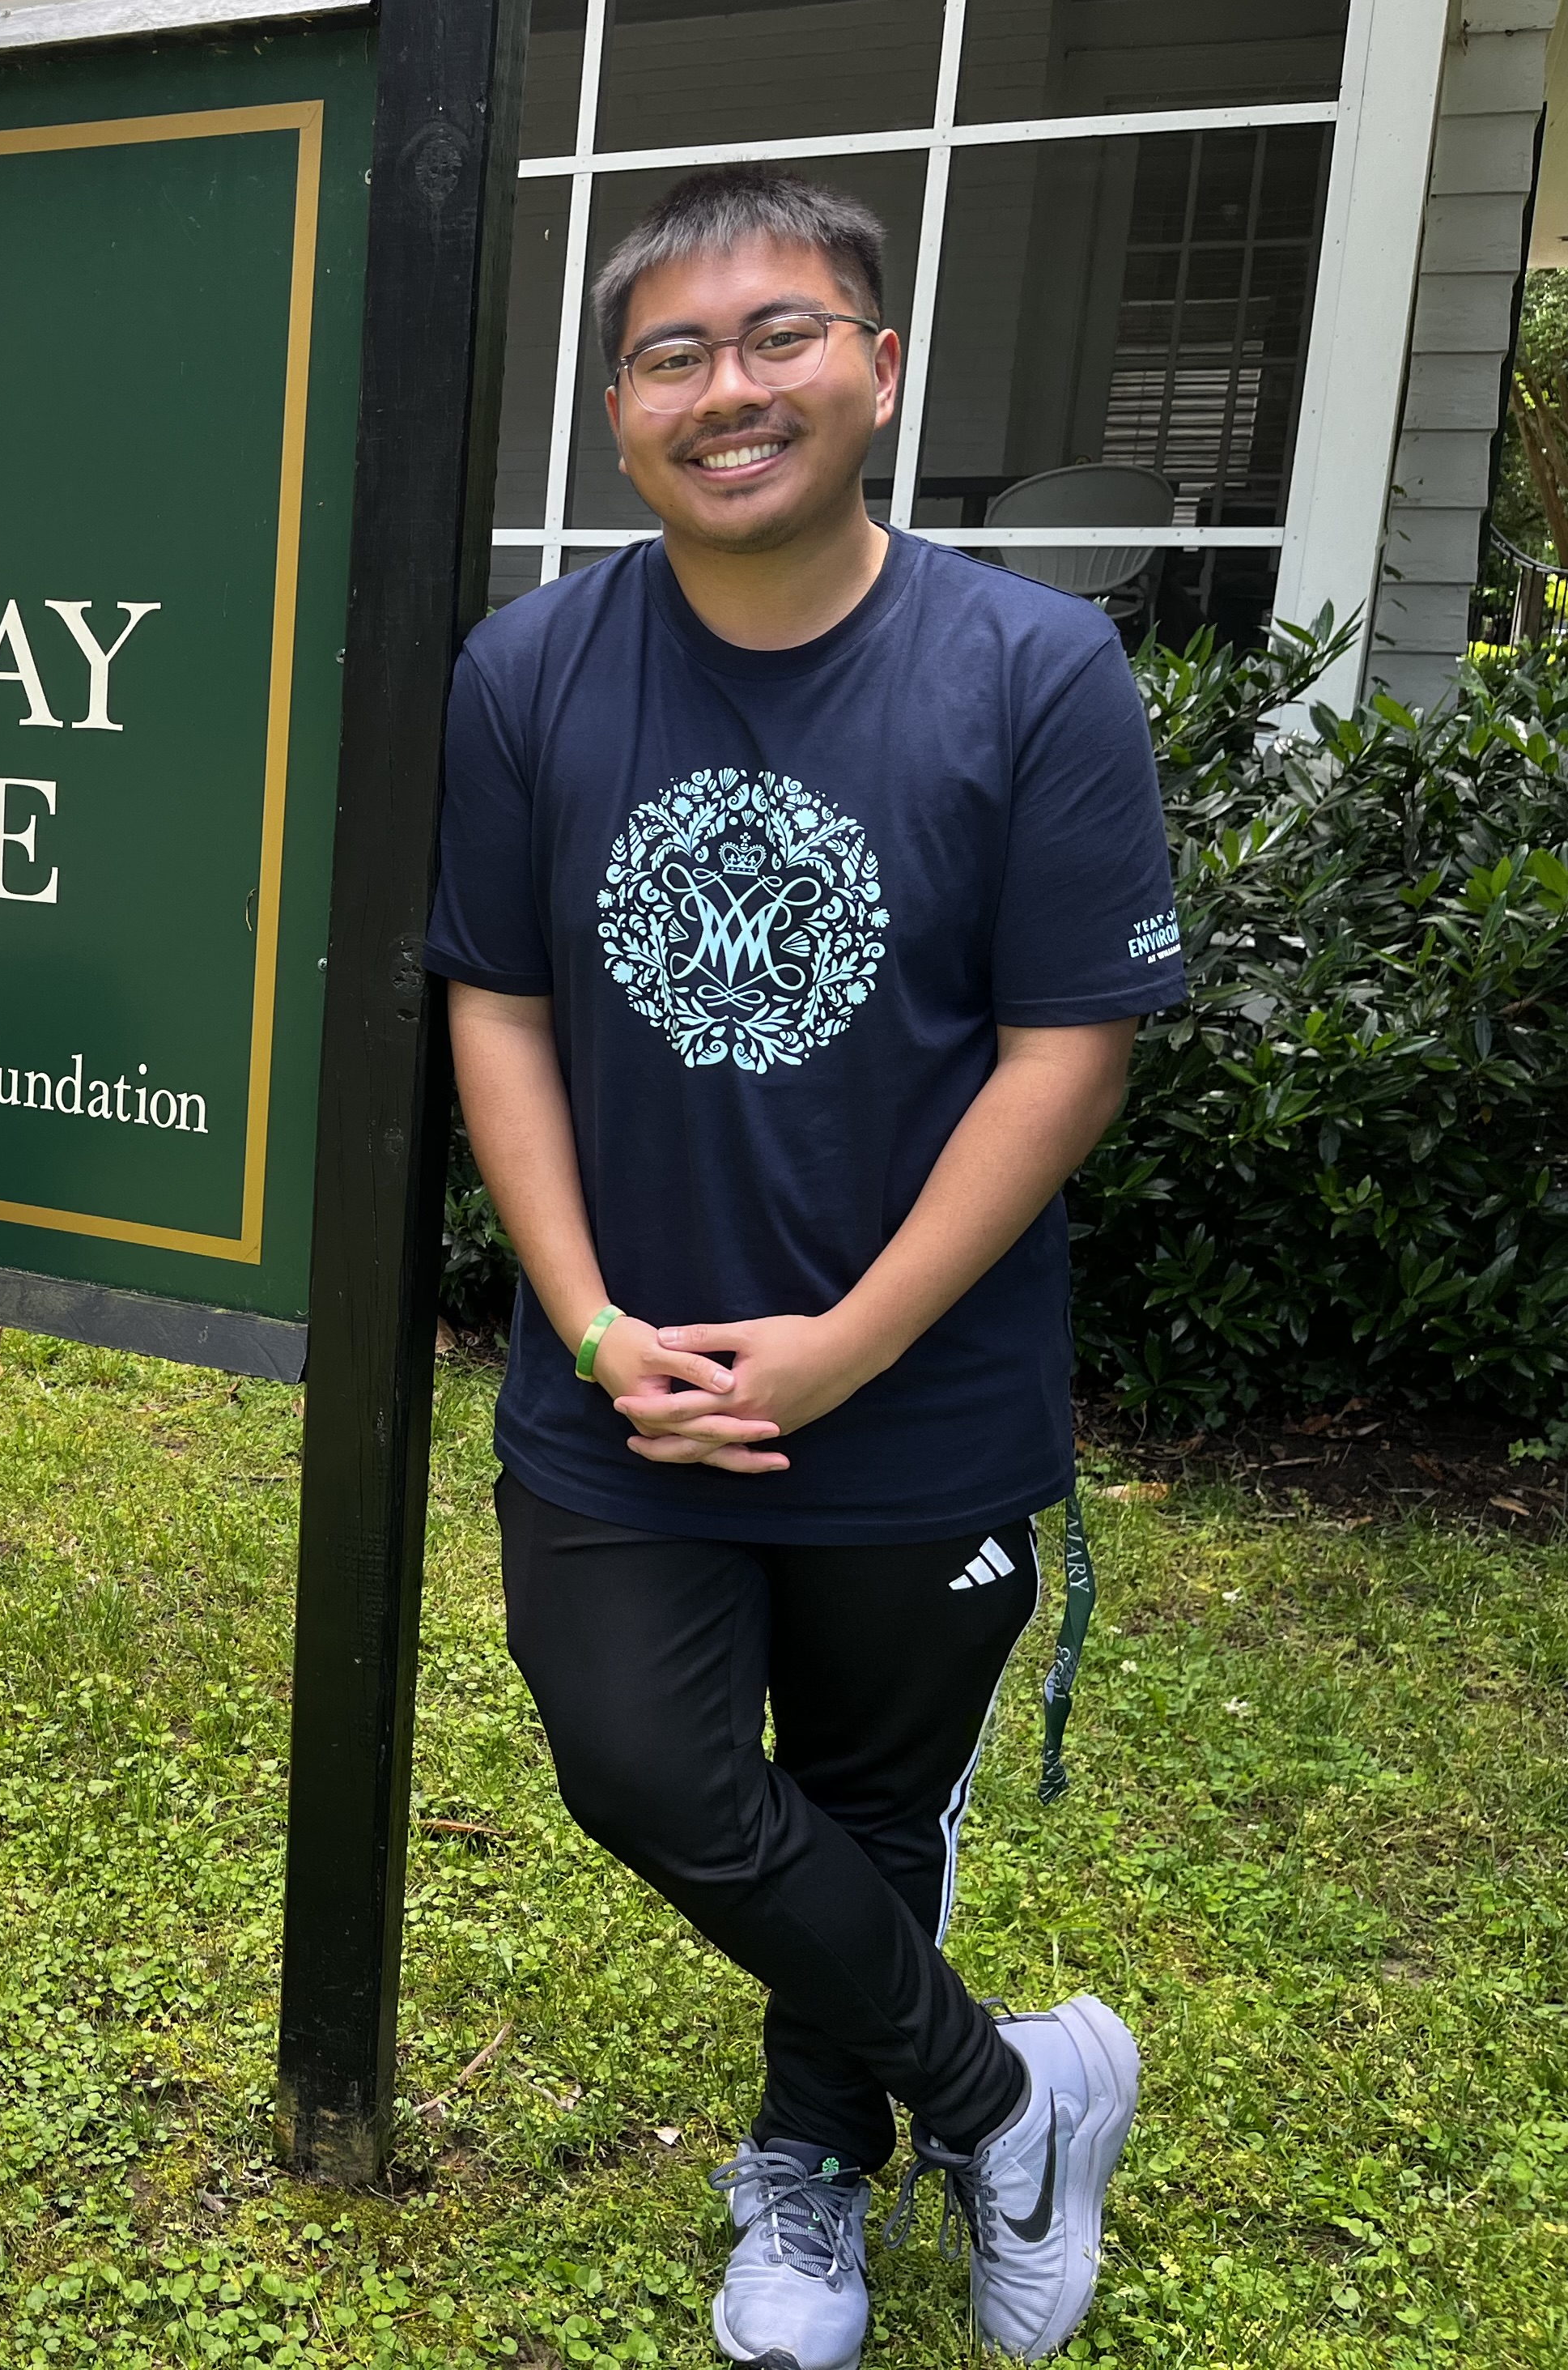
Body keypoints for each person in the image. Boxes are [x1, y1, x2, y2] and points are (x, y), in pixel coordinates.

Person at [431, 165, 1178, 2369]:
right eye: (672, 352)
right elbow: (497, 1001)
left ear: (876, 367)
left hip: (920, 1394)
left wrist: (846, 1349)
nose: (726, 387)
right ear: (613, 407)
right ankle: (1014, 2097)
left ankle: (809, 2182)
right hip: (620, 1376)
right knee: (641, 1761)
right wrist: (580, 1316)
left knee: (864, 1797)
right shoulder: (532, 670)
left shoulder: (1032, 671)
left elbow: (1071, 1052)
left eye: (781, 336)